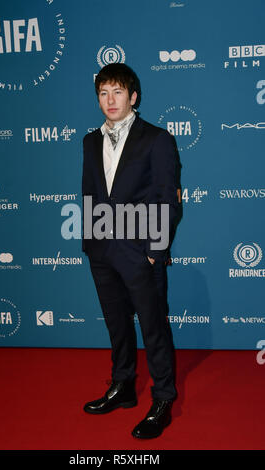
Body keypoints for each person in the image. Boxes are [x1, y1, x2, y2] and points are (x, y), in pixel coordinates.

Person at [82, 63, 179, 439]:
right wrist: (90, 244)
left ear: (133, 96)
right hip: (102, 252)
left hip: (141, 252)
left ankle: (163, 398)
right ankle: (122, 387)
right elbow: (89, 192)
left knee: (153, 329)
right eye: (103, 93)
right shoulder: (89, 141)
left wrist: (154, 251)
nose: (110, 100)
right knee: (117, 325)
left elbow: (166, 198)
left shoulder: (157, 139)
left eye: (117, 92)